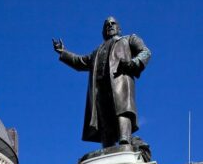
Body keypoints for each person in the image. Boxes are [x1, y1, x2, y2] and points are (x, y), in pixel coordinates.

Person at [53, 17, 151, 148]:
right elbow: (79, 61)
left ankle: (125, 140)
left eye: (113, 23)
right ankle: (108, 147)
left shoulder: (128, 39)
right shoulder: (97, 52)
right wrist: (63, 52)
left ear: (119, 28)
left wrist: (133, 63)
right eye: (106, 25)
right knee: (103, 118)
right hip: (100, 88)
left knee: (122, 111)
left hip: (119, 82)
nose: (109, 26)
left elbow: (145, 52)